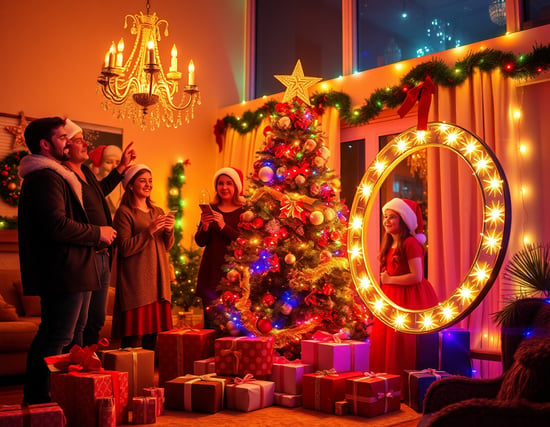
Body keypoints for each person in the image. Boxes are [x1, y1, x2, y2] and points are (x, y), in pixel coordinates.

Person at [18, 117, 117, 404]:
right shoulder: (45, 177)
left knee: (72, 336)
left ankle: (64, 395)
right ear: (45, 145)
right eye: (62, 138)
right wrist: (97, 232)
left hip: (76, 267)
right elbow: (56, 225)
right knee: (57, 335)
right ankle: (38, 398)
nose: (69, 142)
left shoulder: (59, 175)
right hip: (64, 270)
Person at [63, 119, 136, 347]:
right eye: (78, 140)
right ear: (65, 146)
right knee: (78, 322)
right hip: (85, 256)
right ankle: (74, 371)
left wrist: (122, 167)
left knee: (95, 320)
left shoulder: (85, 171)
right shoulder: (63, 175)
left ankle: (90, 366)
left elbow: (101, 190)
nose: (85, 143)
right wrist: (97, 232)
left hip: (103, 256)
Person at [369, 198, 439, 376]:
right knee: (387, 342)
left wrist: (389, 280)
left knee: (403, 344)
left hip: (410, 298)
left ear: (404, 220)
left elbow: (417, 276)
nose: (386, 220)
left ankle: (403, 385)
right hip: (392, 296)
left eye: (392, 217)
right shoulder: (389, 244)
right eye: (385, 216)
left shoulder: (410, 243)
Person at [111, 164, 174, 350]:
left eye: (150, 181)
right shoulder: (124, 213)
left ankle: (147, 377)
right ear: (130, 185)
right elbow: (124, 249)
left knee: (152, 337)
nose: (148, 184)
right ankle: (127, 376)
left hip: (158, 283)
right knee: (132, 337)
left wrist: (169, 231)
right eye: (142, 180)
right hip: (136, 284)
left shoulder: (158, 211)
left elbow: (166, 246)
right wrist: (150, 231)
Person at [195, 167, 246, 328]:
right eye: (221, 183)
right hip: (211, 273)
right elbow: (201, 241)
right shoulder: (211, 209)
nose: (224, 187)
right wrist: (204, 226)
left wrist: (223, 226)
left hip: (235, 277)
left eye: (229, 183)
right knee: (211, 325)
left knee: (233, 325)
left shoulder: (244, 211)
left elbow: (245, 241)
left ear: (236, 187)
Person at [89, 144, 124, 216]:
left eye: (118, 162)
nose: (114, 166)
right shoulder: (93, 188)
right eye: (109, 162)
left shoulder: (123, 187)